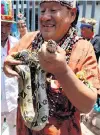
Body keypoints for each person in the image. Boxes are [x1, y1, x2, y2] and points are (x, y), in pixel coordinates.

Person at [3, 1, 100, 135]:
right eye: (42, 11)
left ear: (72, 14)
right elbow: (10, 63)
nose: (45, 17)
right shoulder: (28, 40)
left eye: (53, 10)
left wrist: (63, 71)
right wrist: (8, 66)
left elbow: (87, 105)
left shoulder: (83, 49)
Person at [1, 1, 27, 135]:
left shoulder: (17, 44)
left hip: (13, 101)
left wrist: (25, 36)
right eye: (0, 25)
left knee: (15, 131)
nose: (3, 30)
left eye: (7, 25)